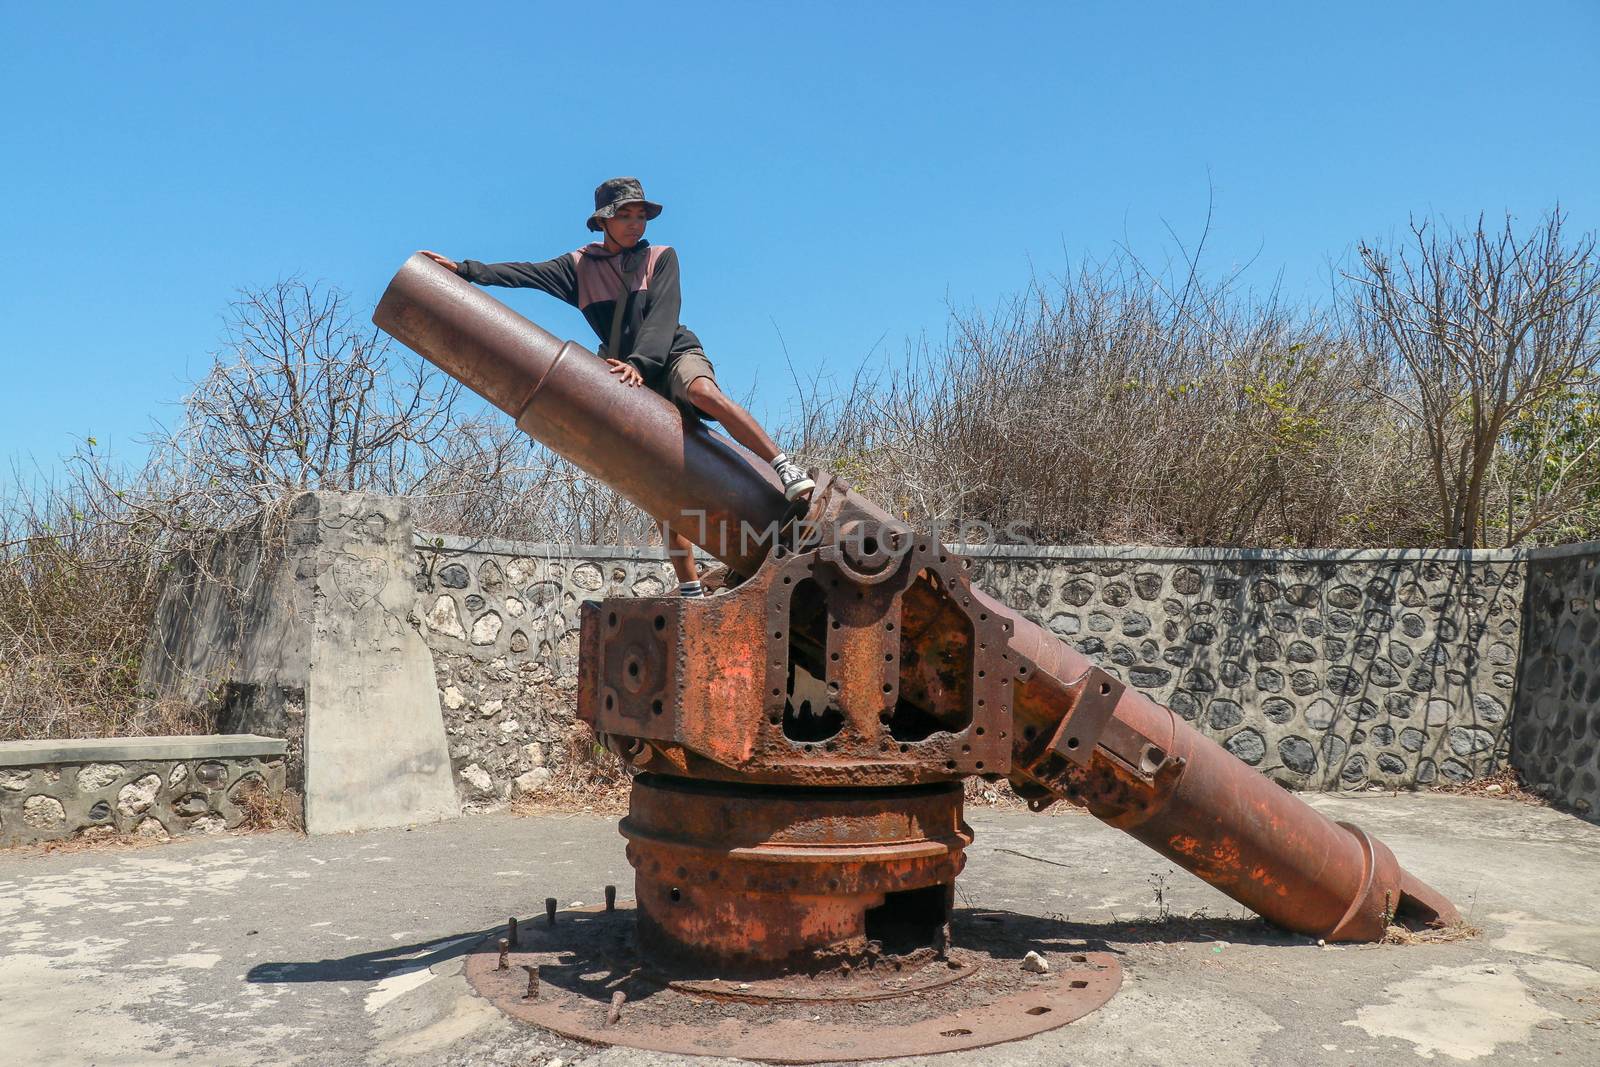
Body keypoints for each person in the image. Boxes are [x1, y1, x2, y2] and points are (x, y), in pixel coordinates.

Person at [420, 176, 812, 597]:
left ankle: (783, 465)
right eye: (624, 215)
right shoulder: (579, 267)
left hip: (670, 354)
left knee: (703, 393)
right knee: (661, 477)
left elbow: (663, 317)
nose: (635, 224)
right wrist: (464, 270)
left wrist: (640, 364)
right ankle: (690, 589)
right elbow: (525, 273)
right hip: (627, 371)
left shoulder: (661, 258)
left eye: (640, 216)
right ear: (603, 221)